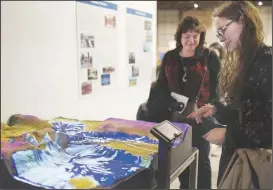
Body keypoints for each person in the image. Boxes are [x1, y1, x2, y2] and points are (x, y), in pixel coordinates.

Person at [188, 1, 272, 186]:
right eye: (218, 33)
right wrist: (216, 109)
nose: (221, 38)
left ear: (243, 20)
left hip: (255, 164)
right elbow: (245, 112)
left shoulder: (267, 62)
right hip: (237, 158)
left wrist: (229, 134)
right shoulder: (244, 62)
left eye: (223, 30)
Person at [140, 16, 221, 189]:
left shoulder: (209, 57)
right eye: (187, 36)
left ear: (201, 36)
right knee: (179, 160)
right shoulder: (170, 57)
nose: (191, 40)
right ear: (180, 36)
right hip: (173, 119)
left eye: (195, 36)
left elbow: (217, 89)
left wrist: (209, 107)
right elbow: (160, 87)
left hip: (200, 119)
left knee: (201, 162)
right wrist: (170, 103)